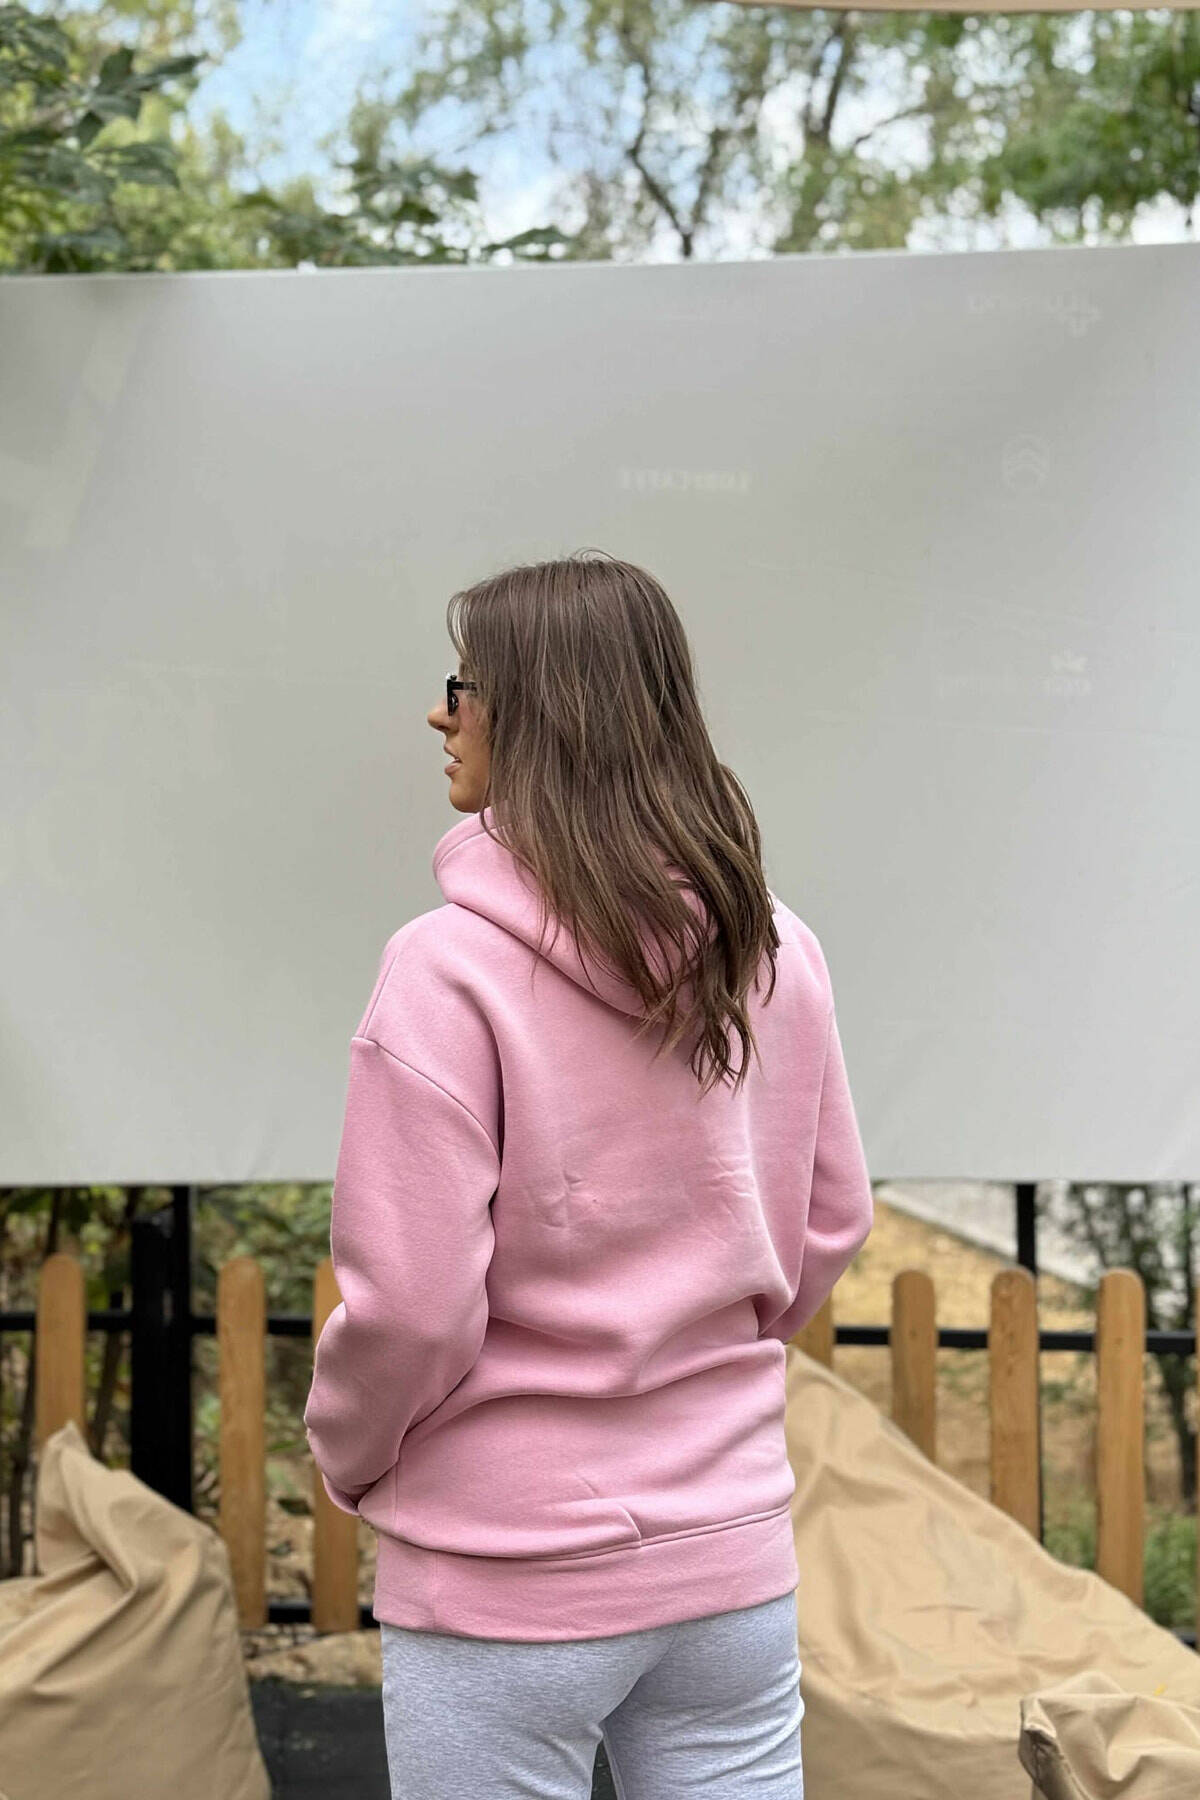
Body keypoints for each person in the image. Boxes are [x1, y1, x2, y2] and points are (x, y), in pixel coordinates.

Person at [303, 550, 875, 1799]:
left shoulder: (445, 972)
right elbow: (832, 1219)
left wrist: (347, 1451)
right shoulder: (778, 949)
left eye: (464, 686)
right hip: (728, 1563)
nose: (440, 714)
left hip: (505, 1567)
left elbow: (412, 1309)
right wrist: (691, 1373)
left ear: (535, 713)